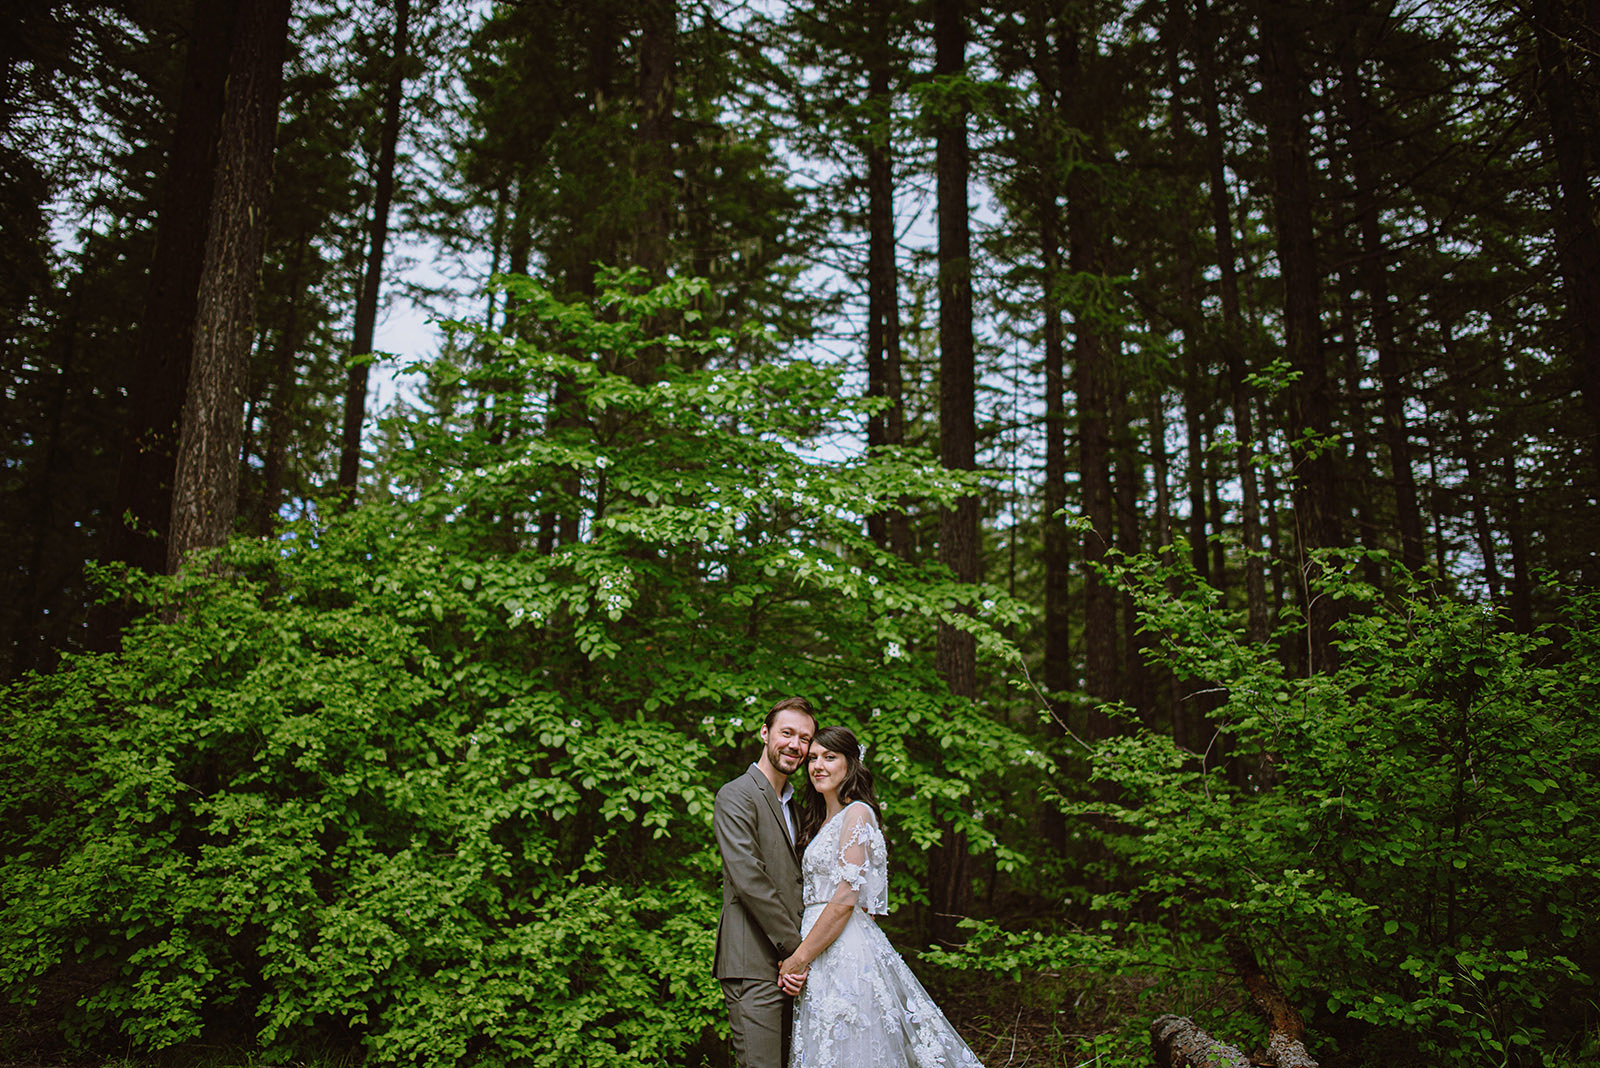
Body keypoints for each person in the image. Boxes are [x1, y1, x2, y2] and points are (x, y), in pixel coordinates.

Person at [780, 726, 986, 1068]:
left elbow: (846, 898)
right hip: (820, 946)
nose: (818, 765)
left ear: (850, 764)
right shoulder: (820, 821)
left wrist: (798, 959)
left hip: (840, 947)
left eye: (830, 757)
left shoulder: (857, 813)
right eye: (813, 758)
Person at [714, 696, 818, 1068]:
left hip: (794, 967)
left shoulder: (797, 806)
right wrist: (799, 953)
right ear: (764, 733)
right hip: (754, 965)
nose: (795, 745)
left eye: (805, 739)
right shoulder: (736, 795)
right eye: (787, 733)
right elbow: (750, 881)